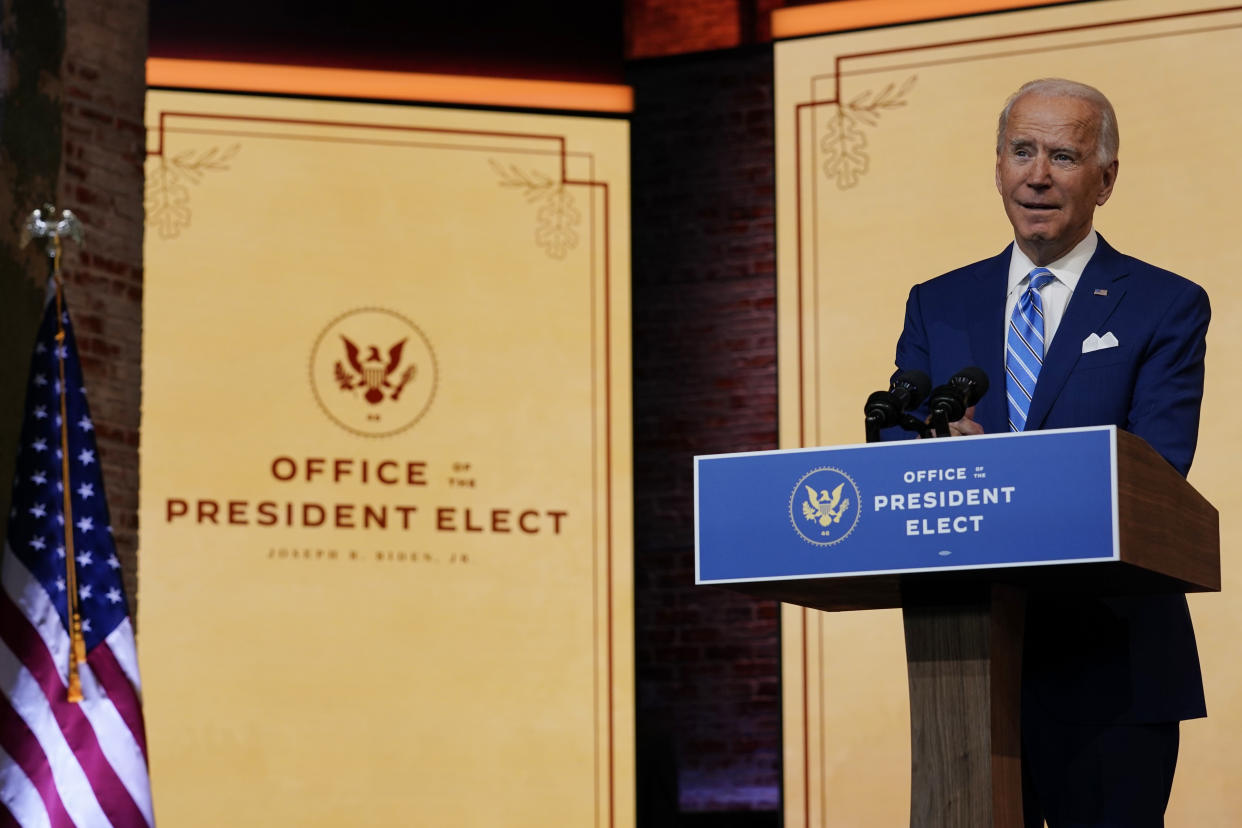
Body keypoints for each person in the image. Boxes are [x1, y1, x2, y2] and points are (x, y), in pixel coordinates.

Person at [890, 78, 1210, 827]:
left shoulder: (1164, 303)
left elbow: (1157, 468)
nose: (1037, 175)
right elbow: (902, 447)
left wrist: (992, 469)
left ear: (1105, 180)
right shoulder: (938, 302)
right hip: (967, 663)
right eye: (1021, 151)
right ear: (998, 164)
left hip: (1110, 663)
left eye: (1063, 156)